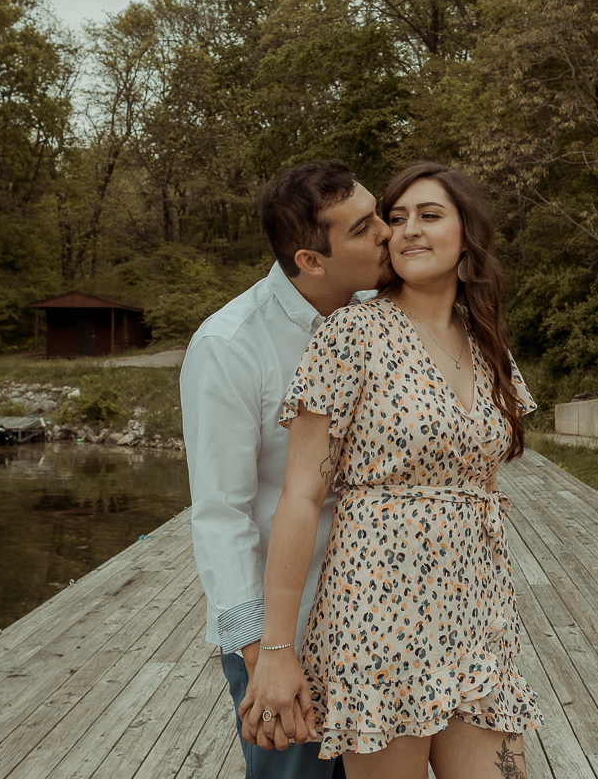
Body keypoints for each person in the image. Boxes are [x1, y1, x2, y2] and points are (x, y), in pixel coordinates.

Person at [239, 162, 543, 779]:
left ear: (466, 234)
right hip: (377, 612)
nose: (405, 230)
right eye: (395, 218)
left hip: (478, 610)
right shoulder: (351, 334)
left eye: (429, 216)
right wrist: (275, 649)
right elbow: (299, 497)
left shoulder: (486, 341)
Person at [181, 159, 393, 778]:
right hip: (290, 628)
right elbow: (221, 514)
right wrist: (263, 653)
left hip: (382, 617)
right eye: (363, 228)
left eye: (377, 213)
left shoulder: (384, 317)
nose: (387, 231)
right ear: (311, 261)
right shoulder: (229, 347)